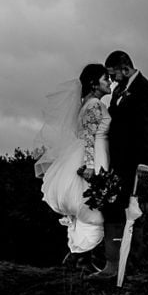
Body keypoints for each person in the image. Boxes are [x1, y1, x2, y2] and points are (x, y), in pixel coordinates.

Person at [35, 64, 113, 271]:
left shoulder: (85, 103)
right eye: (106, 78)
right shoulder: (95, 104)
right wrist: (90, 165)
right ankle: (81, 258)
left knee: (86, 207)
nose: (110, 82)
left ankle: (80, 258)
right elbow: (89, 137)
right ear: (93, 83)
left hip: (88, 153)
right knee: (92, 207)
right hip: (94, 155)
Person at [88, 50, 148, 281]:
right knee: (112, 210)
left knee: (129, 213)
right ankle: (112, 265)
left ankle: (129, 266)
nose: (112, 79)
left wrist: (146, 164)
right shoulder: (119, 89)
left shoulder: (145, 90)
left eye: (113, 74)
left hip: (133, 164)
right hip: (115, 163)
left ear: (124, 68)